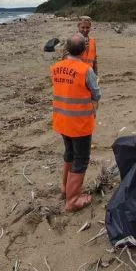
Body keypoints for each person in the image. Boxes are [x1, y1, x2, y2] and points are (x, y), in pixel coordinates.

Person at [50, 33, 101, 212]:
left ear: (67, 49)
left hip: (62, 120)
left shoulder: (56, 67)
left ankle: (65, 189)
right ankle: (72, 200)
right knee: (81, 159)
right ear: (84, 50)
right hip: (79, 122)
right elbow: (96, 93)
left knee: (69, 154)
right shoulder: (85, 70)